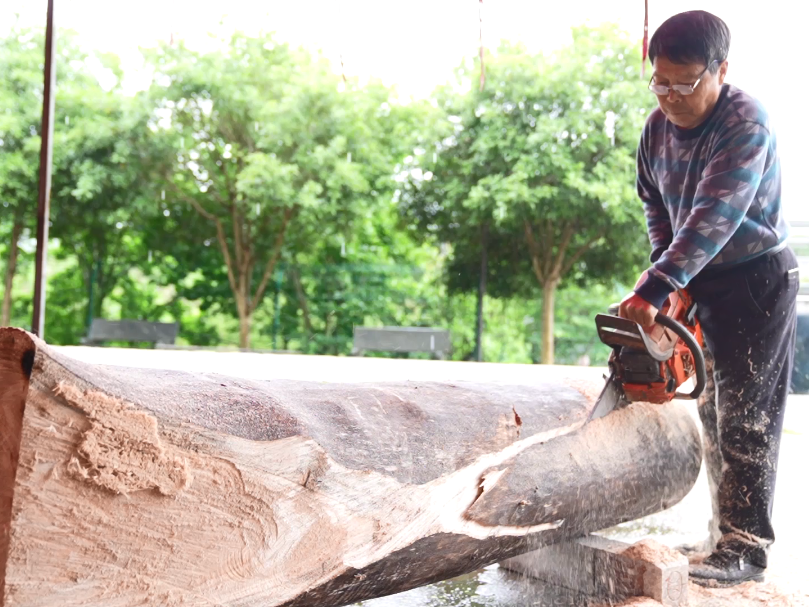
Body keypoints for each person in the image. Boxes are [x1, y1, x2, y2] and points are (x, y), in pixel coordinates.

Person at [618, 10, 799, 586]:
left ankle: (747, 547)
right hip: (698, 277)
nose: (670, 96)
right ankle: (724, 529)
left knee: (747, 417)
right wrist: (670, 280)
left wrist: (657, 286)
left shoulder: (746, 122)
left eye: (684, 83)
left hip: (755, 278)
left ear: (721, 69)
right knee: (712, 411)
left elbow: (715, 216)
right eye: (660, 82)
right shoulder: (656, 128)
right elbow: (656, 202)